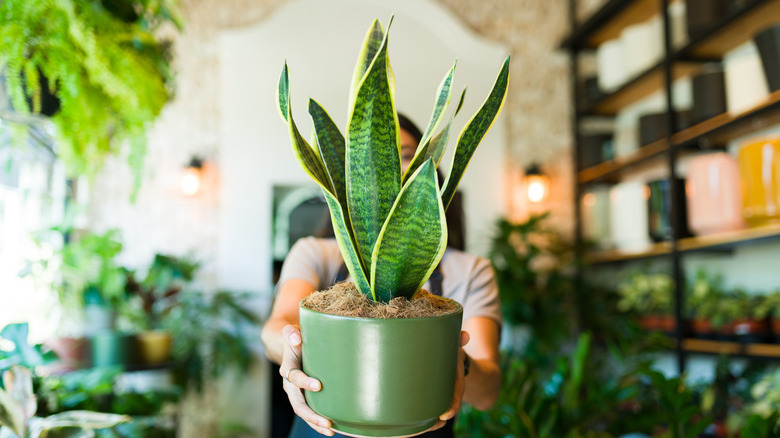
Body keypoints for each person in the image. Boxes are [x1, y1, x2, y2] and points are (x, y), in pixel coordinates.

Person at [261, 114, 502, 438]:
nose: (389, 173)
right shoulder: (316, 253)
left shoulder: (470, 270)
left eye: (404, 156)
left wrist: (458, 361)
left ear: (429, 171)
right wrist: (291, 348)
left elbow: (487, 393)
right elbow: (277, 327)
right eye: (373, 164)